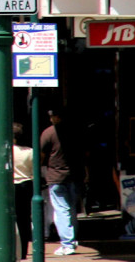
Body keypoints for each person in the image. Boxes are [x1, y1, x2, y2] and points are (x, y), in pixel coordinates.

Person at [41, 109, 81, 256]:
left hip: (56, 176)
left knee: (61, 209)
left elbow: (41, 153)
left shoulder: (48, 133)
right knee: (71, 209)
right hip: (73, 175)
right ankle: (72, 239)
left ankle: (67, 243)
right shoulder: (75, 131)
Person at [13, 124, 35, 259]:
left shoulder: (6, 151)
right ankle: (23, 251)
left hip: (11, 185)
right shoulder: (30, 152)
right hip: (26, 185)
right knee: (24, 218)